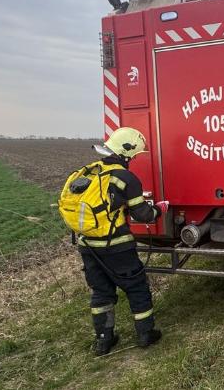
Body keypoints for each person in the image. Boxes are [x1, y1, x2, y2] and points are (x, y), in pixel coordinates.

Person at [59, 127, 167, 356]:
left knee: (101, 292)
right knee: (136, 287)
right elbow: (142, 215)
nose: (134, 159)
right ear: (126, 153)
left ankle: (103, 340)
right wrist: (159, 209)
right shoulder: (125, 178)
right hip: (116, 245)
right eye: (134, 155)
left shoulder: (89, 171)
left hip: (88, 246)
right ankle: (146, 334)